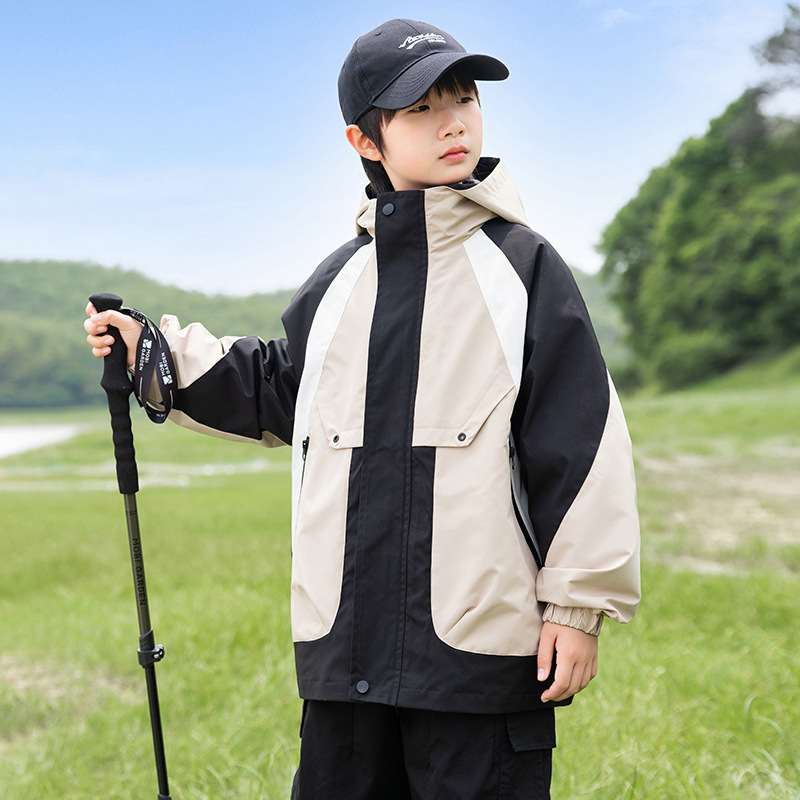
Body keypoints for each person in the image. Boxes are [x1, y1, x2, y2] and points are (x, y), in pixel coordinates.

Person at [85, 19, 640, 800]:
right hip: (343, 656)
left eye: (464, 99)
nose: (453, 122)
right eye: (420, 108)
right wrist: (155, 353)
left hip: (477, 656)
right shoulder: (337, 282)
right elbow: (278, 387)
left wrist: (576, 608)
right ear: (364, 140)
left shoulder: (525, 268)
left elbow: (581, 446)